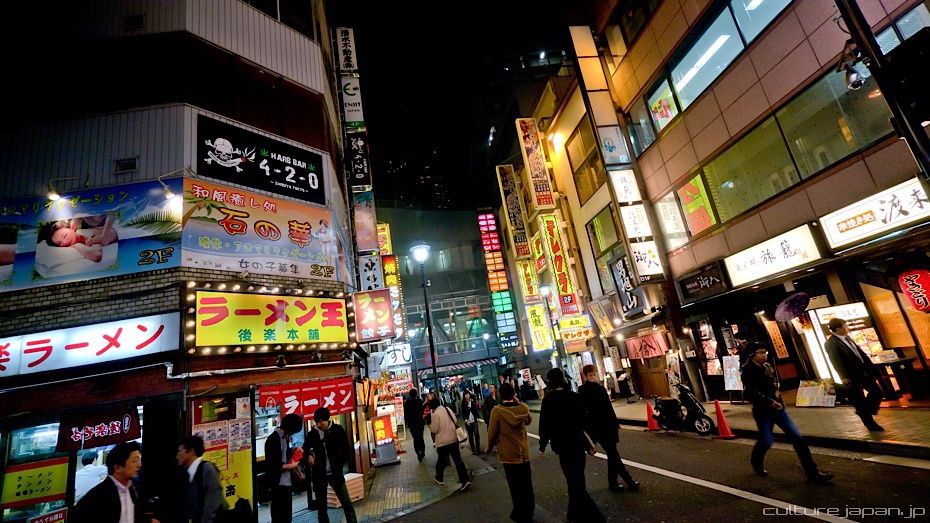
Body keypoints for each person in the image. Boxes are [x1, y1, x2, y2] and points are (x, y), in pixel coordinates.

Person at [741, 343, 833, 484]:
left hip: (778, 410)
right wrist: (769, 401)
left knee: (798, 439)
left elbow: (773, 386)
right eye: (760, 352)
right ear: (752, 354)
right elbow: (749, 392)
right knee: (766, 440)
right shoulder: (748, 371)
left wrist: (778, 396)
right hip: (763, 412)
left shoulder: (767, 367)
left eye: (765, 352)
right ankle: (756, 461)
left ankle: (812, 473)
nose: (764, 355)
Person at [538, 368, 605, 522]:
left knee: (573, 479)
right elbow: (585, 420)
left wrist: (542, 445)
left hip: (562, 445)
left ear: (550, 381)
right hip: (577, 442)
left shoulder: (548, 400)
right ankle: (575, 514)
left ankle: (593, 516)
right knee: (578, 478)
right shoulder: (575, 397)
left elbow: (545, 425)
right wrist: (591, 439)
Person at [578, 364, 639, 493]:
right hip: (597, 428)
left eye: (594, 374)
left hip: (609, 425)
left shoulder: (600, 388)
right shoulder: (583, 390)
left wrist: (615, 423)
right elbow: (584, 412)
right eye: (590, 375)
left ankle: (613, 483)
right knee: (613, 454)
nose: (593, 377)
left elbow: (608, 408)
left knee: (612, 455)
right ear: (586, 376)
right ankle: (629, 481)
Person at [73, 441, 161, 523]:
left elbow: (132, 513)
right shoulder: (98, 496)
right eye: (134, 461)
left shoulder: (130, 487)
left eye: (139, 460)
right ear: (117, 467)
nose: (139, 465)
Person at [486, 383, 535, 523]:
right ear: (514, 394)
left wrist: (488, 448)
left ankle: (520, 514)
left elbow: (492, 432)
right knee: (527, 485)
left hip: (509, 455)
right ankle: (529, 512)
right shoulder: (522, 408)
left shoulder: (497, 411)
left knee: (515, 487)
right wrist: (518, 401)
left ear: (500, 395)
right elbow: (528, 420)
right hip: (524, 453)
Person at [825, 318, 885, 431]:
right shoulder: (831, 343)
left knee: (877, 392)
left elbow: (860, 354)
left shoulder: (847, 338)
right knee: (859, 399)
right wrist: (843, 376)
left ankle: (865, 410)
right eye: (845, 326)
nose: (847, 328)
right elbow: (836, 361)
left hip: (864, 371)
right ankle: (871, 425)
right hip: (851, 375)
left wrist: (871, 366)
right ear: (838, 328)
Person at [303, 408, 358, 523]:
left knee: (346, 503)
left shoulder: (337, 430)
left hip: (335, 473)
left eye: (321, 421)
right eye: (317, 422)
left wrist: (339, 464)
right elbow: (305, 449)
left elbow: (346, 449)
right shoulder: (312, 434)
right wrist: (309, 455)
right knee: (321, 508)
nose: (319, 424)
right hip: (319, 475)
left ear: (327, 419)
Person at [264, 413, 303, 523]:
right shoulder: (274, 439)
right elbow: (273, 465)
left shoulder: (285, 437)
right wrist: (292, 466)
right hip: (278, 484)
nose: (293, 434)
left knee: (287, 516)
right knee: (279, 516)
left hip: (286, 482)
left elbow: (283, 457)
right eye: (294, 431)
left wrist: (294, 452)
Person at [176, 435, 224, 523]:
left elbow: (213, 501)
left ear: (191, 451)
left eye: (179, 451)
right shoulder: (185, 473)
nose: (177, 456)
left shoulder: (207, 469)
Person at [427, 397, 472, 491]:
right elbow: (455, 420)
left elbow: (434, 429)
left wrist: (429, 425)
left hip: (443, 442)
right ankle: (465, 480)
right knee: (458, 460)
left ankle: (439, 477)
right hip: (453, 439)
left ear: (432, 407)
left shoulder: (435, 414)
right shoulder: (447, 409)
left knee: (441, 461)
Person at [404, 388, 427, 462]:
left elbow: (406, 414)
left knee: (415, 438)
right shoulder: (419, 401)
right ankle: (422, 451)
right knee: (421, 437)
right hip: (420, 423)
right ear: (416, 394)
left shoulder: (407, 403)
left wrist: (408, 421)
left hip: (412, 424)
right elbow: (422, 411)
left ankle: (418, 452)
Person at [460, 390, 482, 455]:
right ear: (464, 396)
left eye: (468, 394)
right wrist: (466, 420)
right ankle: (473, 450)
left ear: (469, 395)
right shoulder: (463, 404)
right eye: (465, 394)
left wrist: (478, 418)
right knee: (471, 436)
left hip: (474, 421)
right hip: (468, 423)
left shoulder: (472, 402)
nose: (467, 396)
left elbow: (475, 411)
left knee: (477, 435)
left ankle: (478, 449)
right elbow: (463, 414)